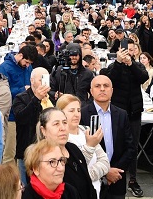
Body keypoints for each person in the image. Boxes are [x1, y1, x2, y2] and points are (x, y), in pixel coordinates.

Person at [99, 46, 146, 197]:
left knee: (132, 147)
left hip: (134, 113)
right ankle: (110, 174)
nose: (128, 53)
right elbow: (110, 80)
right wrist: (119, 62)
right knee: (114, 145)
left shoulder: (137, 65)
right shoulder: (114, 66)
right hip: (117, 113)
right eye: (126, 50)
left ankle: (132, 179)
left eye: (132, 50)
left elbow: (143, 77)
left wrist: (130, 64)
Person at [79, 75, 134, 199]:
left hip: (117, 177)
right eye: (97, 86)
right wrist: (105, 172)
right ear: (91, 91)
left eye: (106, 86)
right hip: (92, 179)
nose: (102, 89)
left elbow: (130, 147)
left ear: (112, 90)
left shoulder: (121, 114)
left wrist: (115, 170)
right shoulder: (82, 114)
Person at [36, 107, 97, 199]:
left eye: (64, 122)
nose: (62, 128)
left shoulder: (73, 149)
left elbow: (88, 185)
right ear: (43, 130)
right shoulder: (40, 158)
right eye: (56, 124)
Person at [56, 94, 109, 197]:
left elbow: (105, 162)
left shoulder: (86, 130)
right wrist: (90, 146)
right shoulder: (61, 138)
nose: (76, 114)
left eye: (78, 110)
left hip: (96, 191)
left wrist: (87, 176)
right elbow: (72, 169)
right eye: (71, 111)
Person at [0, 45, 35, 165]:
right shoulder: (5, 68)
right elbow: (3, 92)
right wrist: (22, 89)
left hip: (26, 114)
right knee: (10, 152)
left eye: (30, 63)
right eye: (26, 62)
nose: (28, 65)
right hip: (12, 115)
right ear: (20, 56)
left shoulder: (28, 67)